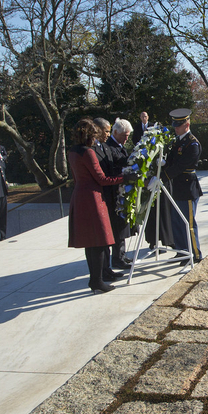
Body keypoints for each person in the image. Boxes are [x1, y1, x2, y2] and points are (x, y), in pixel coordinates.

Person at [67, 119, 126, 293]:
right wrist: (125, 178)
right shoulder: (88, 152)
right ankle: (98, 280)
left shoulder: (72, 151)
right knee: (99, 242)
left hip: (79, 197)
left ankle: (95, 279)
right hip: (92, 198)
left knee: (89, 243)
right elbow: (102, 179)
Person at [164, 108, 203, 263]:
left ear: (186, 125)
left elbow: (181, 166)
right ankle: (182, 251)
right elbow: (172, 161)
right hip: (177, 187)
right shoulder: (178, 141)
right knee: (177, 221)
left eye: (178, 125)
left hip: (187, 188)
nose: (175, 128)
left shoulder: (192, 143)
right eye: (174, 125)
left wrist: (163, 175)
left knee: (188, 223)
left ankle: (195, 253)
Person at [106, 118, 133, 269]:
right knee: (117, 226)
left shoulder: (119, 145)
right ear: (115, 132)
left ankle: (121, 255)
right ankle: (117, 258)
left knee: (122, 224)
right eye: (124, 135)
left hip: (122, 189)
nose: (126, 138)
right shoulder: (109, 147)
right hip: (115, 191)